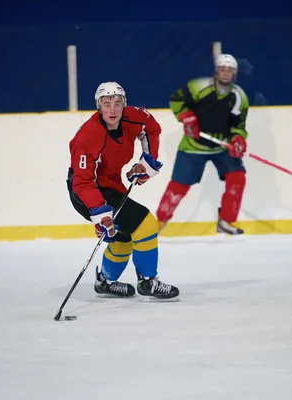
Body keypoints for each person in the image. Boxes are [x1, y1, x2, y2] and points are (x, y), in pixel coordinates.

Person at [66, 81, 180, 301]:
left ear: (124, 104)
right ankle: (148, 281)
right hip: (86, 191)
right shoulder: (87, 137)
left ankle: (107, 282)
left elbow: (152, 129)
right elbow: (82, 182)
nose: (112, 109)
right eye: (106, 103)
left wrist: (147, 162)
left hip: (109, 185)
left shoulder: (133, 116)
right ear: (98, 105)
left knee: (122, 237)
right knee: (145, 224)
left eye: (117, 103)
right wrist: (100, 212)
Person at [155, 54, 250, 236]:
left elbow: (239, 125)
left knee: (237, 177)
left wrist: (238, 139)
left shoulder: (239, 96)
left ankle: (226, 222)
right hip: (193, 146)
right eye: (223, 69)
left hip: (221, 147)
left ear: (234, 74)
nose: (226, 74)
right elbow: (176, 100)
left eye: (230, 71)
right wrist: (186, 116)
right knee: (178, 187)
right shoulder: (197, 86)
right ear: (217, 71)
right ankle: (157, 224)